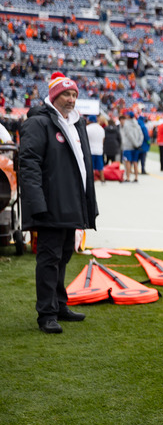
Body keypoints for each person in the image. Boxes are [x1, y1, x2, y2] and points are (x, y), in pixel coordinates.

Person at [19, 72, 98, 333]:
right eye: (66, 94)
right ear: (54, 96)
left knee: (63, 256)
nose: (72, 99)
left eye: (74, 94)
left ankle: (60, 304)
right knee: (49, 258)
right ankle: (46, 314)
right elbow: (28, 165)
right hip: (51, 204)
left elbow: (82, 167)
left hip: (71, 204)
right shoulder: (39, 123)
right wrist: (37, 203)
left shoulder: (76, 124)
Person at [120, 112, 143, 182]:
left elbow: (130, 135)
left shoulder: (126, 125)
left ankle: (128, 177)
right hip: (136, 147)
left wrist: (135, 144)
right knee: (135, 162)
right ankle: (136, 177)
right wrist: (138, 144)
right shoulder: (137, 124)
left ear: (128, 116)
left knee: (128, 162)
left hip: (128, 146)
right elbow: (141, 135)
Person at [86, 114, 105, 184]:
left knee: (91, 167)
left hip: (91, 150)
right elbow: (103, 139)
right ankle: (102, 180)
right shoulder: (101, 128)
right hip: (99, 149)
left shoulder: (87, 128)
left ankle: (92, 180)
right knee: (100, 166)